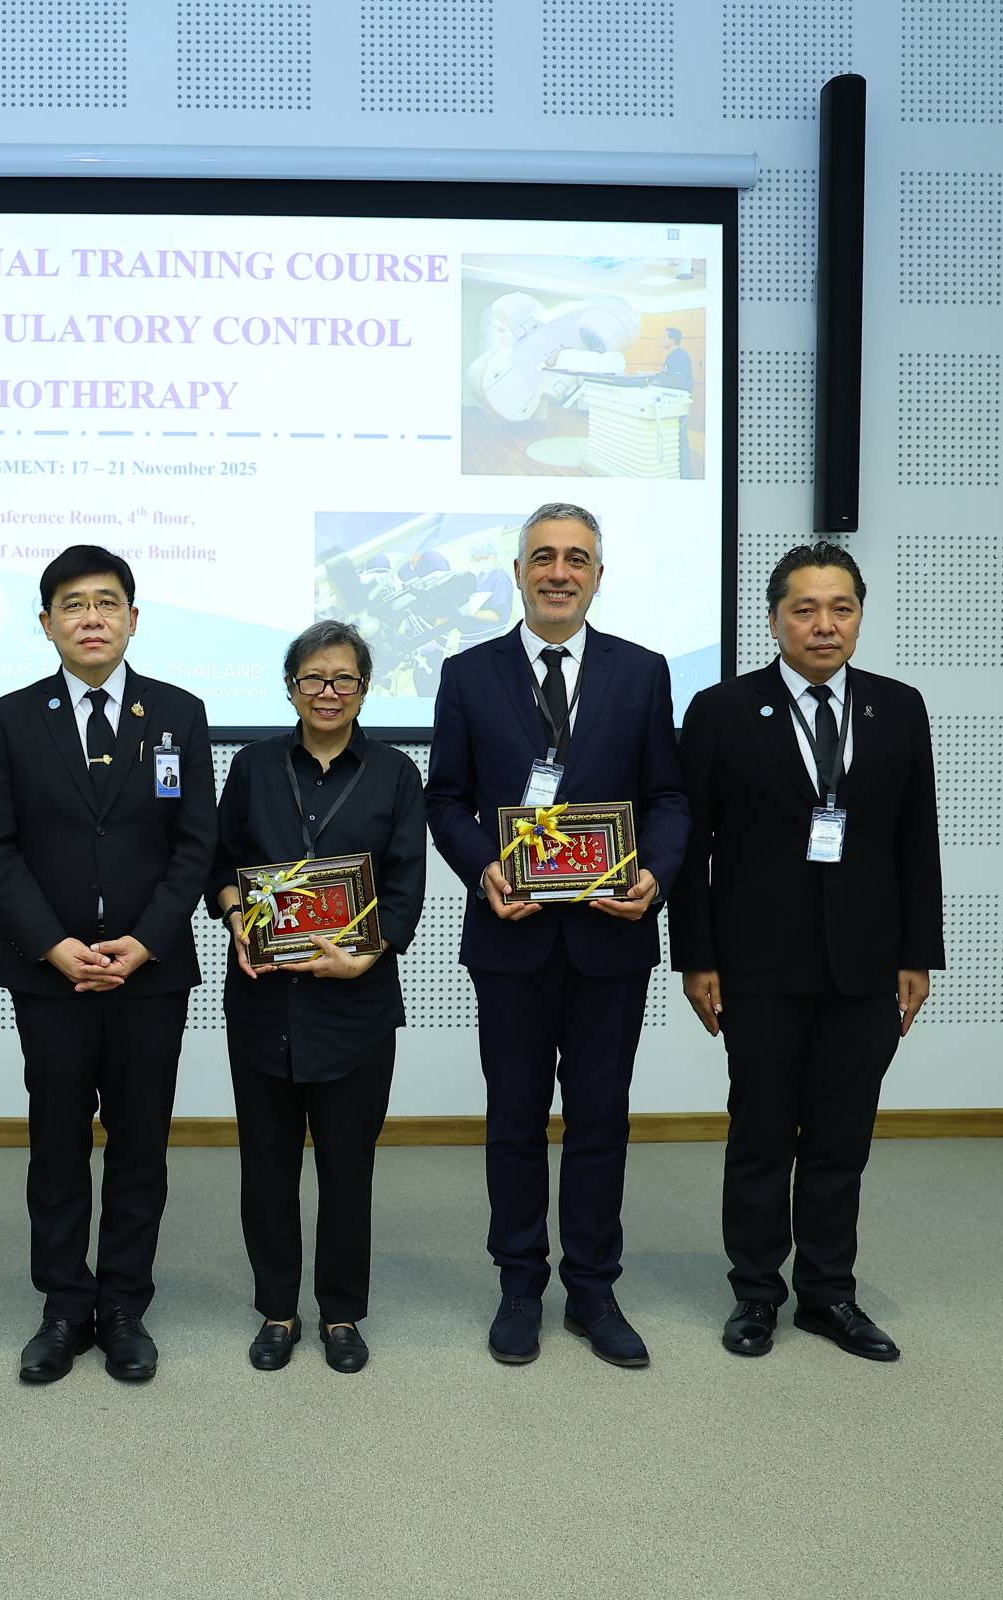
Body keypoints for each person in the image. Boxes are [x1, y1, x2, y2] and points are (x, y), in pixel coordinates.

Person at [424, 502, 688, 1368]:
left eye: (577, 558)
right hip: (512, 934)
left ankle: (594, 1290)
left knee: (601, 1119)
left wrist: (655, 875)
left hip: (612, 936)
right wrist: (483, 869)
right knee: (513, 1119)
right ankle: (518, 1286)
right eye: (543, 556)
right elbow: (445, 800)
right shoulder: (467, 673)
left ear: (598, 576)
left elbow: (668, 798)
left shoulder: (642, 672)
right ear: (518, 573)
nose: (559, 572)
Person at [671, 544, 942, 1362]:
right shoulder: (720, 710)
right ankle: (756, 1292)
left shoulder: (898, 708)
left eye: (841, 608)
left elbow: (916, 839)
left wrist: (918, 954)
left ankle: (828, 1293)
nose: (825, 625)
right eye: (806, 609)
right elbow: (691, 848)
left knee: (840, 1138)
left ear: (859, 616)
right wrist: (696, 957)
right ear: (774, 619)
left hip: (866, 961)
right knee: (760, 1134)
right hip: (757, 962)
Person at [0, 544, 216, 1385]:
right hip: (51, 974)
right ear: (46, 623)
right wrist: (54, 945)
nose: (91, 618)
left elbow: (196, 845)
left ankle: (122, 1307)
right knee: (58, 1144)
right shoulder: (11, 718)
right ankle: (63, 1306)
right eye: (73, 605)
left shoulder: (179, 713)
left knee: (141, 1145)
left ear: (133, 619)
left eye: (107, 603)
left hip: (150, 974)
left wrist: (145, 941)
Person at [207, 621, 426, 1373]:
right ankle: (277, 1309)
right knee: (266, 1166)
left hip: (356, 1008)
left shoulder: (396, 773)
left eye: (344, 679)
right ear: (290, 686)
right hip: (264, 1001)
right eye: (313, 678)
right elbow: (222, 865)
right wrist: (238, 918)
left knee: (347, 1168)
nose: (328, 692)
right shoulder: (253, 766)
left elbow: (406, 887)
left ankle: (340, 1313)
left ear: (365, 688)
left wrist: (367, 954)